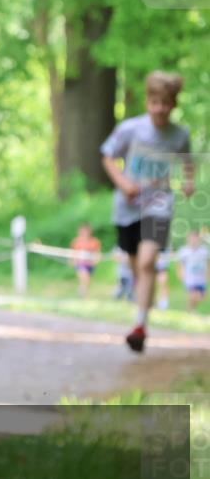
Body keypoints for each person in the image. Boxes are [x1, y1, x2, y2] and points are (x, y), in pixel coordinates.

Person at [101, 71, 195, 352]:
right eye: (155, 102)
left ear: (173, 104)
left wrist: (188, 182)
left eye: (166, 103)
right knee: (137, 269)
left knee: (147, 262)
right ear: (147, 102)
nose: (160, 109)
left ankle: (140, 326)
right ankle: (143, 313)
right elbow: (107, 156)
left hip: (159, 205)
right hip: (128, 208)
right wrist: (122, 182)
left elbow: (187, 162)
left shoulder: (180, 135)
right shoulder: (131, 129)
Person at [176, 231, 208, 312]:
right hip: (190, 278)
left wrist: (208, 274)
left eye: (195, 238)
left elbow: (208, 264)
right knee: (193, 296)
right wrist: (180, 274)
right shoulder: (184, 251)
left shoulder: (204, 251)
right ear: (188, 239)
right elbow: (179, 264)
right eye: (192, 238)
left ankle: (190, 309)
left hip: (201, 278)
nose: (194, 240)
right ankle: (191, 311)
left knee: (201, 297)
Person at [69, 223, 102, 298]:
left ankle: (83, 290)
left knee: (88, 279)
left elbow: (97, 253)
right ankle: (83, 292)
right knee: (84, 276)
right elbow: (73, 253)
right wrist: (72, 260)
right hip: (80, 263)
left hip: (90, 264)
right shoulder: (76, 242)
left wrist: (96, 260)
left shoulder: (95, 242)